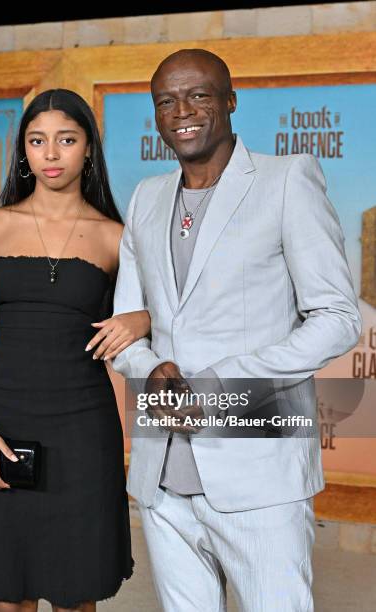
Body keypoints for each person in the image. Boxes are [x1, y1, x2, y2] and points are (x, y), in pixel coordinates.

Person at [110, 49, 362, 611]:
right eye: (166, 100)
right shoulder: (147, 198)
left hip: (261, 475)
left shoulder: (286, 178)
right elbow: (129, 327)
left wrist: (222, 380)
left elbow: (338, 320)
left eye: (198, 94)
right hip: (163, 478)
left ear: (230, 100)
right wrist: (151, 369)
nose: (182, 111)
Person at [0, 88, 151, 612]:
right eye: (38, 141)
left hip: (84, 428)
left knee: (75, 588)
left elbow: (172, 317)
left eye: (67, 139)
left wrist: (142, 317)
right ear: (24, 151)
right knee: (9, 589)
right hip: (4, 422)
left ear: (88, 149)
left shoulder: (116, 237)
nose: (52, 153)